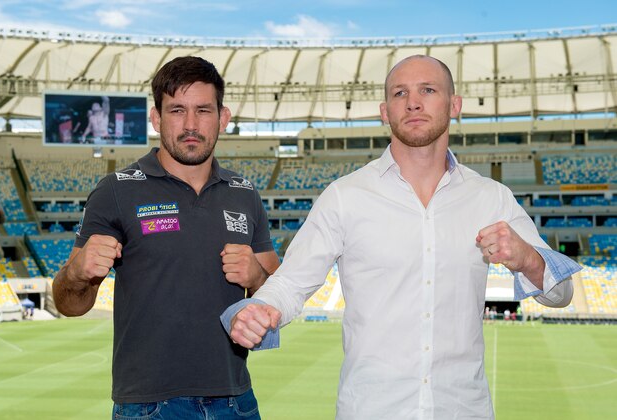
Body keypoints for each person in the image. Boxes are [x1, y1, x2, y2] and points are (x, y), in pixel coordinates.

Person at [222, 55, 582, 419]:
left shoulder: (491, 198)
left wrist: (528, 259)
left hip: (462, 410)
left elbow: (562, 293)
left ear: (454, 105)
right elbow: (292, 282)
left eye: (428, 89)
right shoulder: (346, 196)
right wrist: (261, 309)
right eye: (400, 93)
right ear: (385, 111)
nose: (413, 102)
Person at [52, 56, 280, 419]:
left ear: (223, 118)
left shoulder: (245, 192)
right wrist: (78, 272)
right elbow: (70, 305)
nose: (191, 124)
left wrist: (257, 277)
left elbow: (276, 302)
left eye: (203, 110)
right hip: (148, 405)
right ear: (157, 119)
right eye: (177, 110)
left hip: (236, 401)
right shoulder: (116, 190)